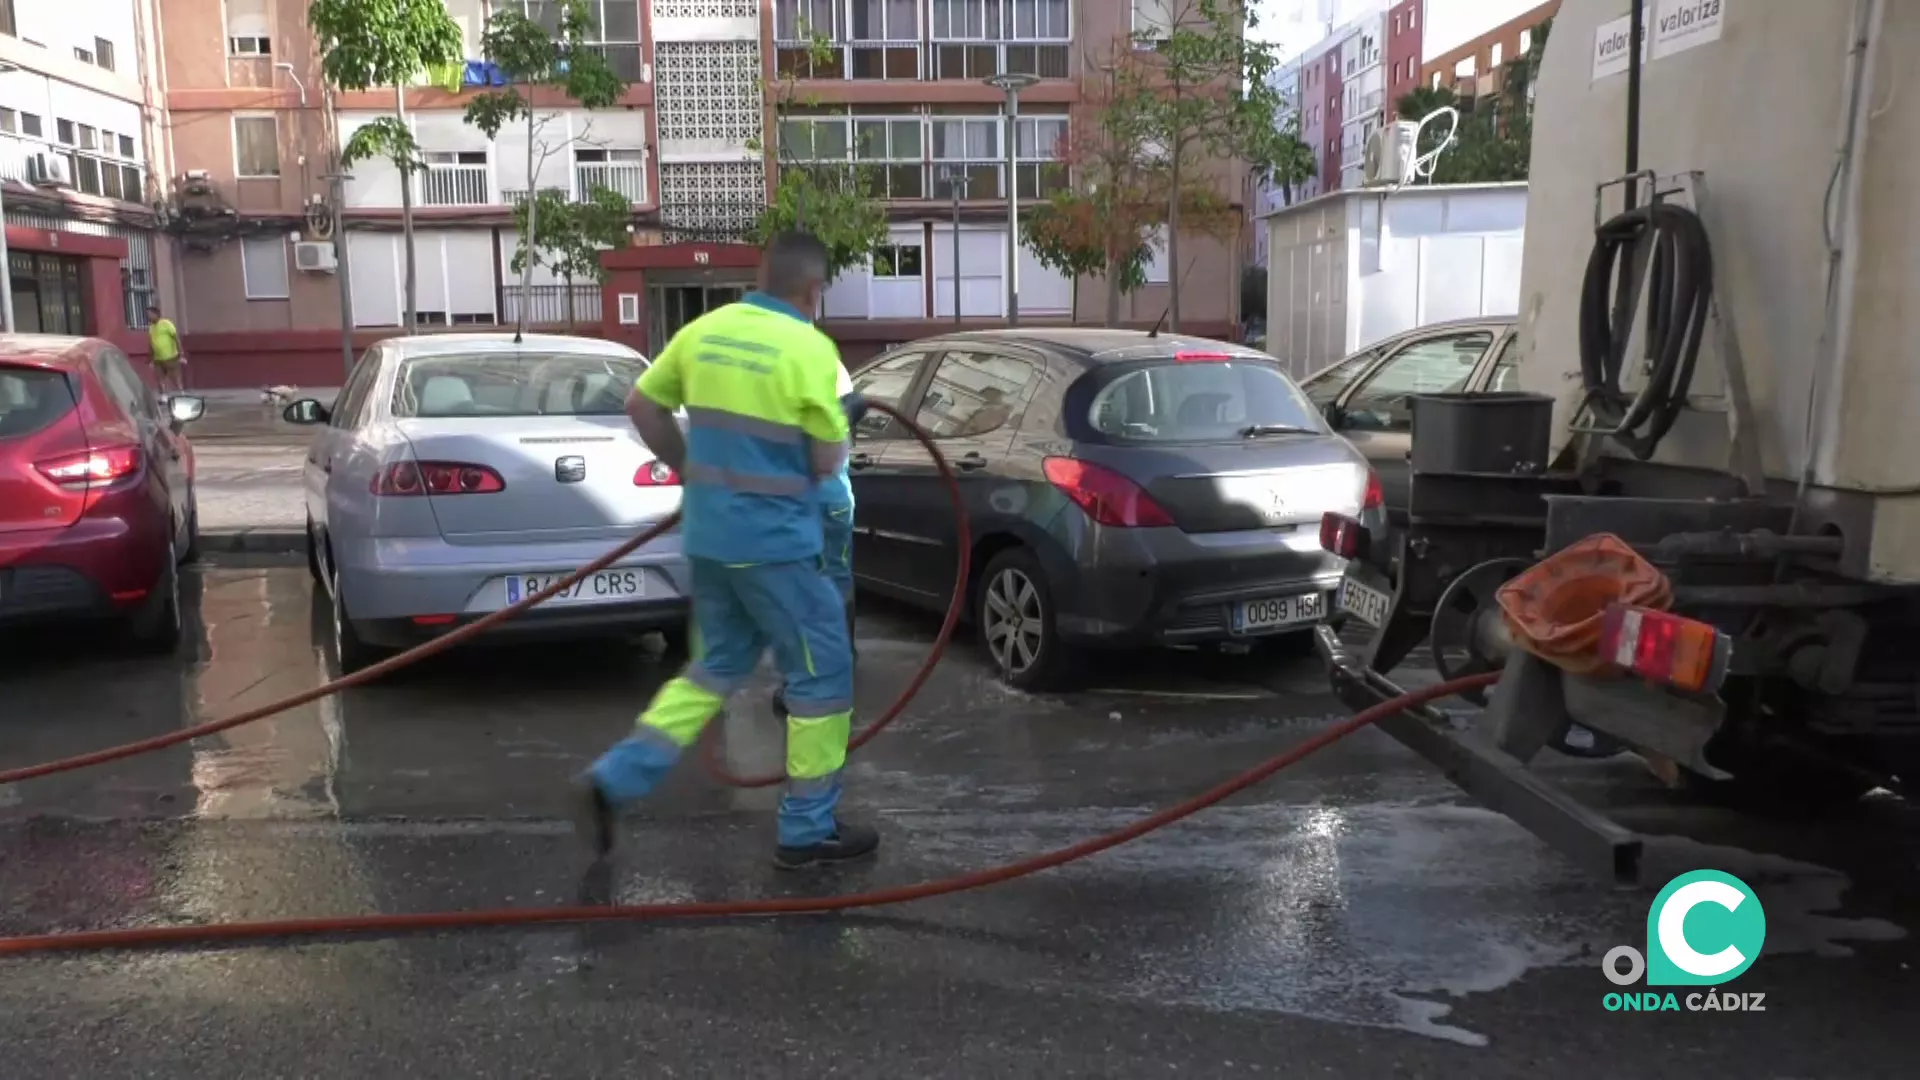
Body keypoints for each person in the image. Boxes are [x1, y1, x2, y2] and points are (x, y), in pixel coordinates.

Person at [575, 230, 875, 871]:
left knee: (713, 669)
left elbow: (641, 404)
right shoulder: (809, 349)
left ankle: (616, 778)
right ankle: (807, 830)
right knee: (823, 676)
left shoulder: (704, 331)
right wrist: (843, 420)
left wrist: (688, 469)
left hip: (710, 542)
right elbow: (826, 461)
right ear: (813, 289)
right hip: (776, 548)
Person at [146, 306, 184, 396]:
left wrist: (180, 352)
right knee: (159, 378)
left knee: (175, 377)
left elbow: (176, 338)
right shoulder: (151, 327)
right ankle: (164, 396)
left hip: (170, 356)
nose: (148, 316)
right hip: (158, 358)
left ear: (156, 314)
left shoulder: (166, 324)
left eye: (150, 314)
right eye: (147, 314)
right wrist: (149, 357)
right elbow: (151, 342)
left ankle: (181, 393)